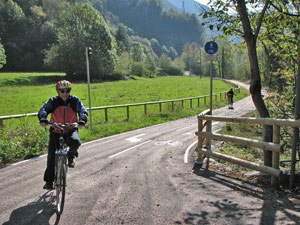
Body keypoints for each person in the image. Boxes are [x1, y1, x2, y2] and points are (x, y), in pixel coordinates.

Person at [38, 80, 88, 190]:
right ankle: (49, 181)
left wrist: (82, 120)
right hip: (56, 130)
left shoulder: (75, 100)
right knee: (52, 155)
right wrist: (43, 119)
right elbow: (44, 110)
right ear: (58, 91)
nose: (65, 93)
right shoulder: (53, 101)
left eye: (67, 90)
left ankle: (70, 157)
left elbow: (82, 110)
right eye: (62, 91)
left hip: (70, 129)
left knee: (75, 141)